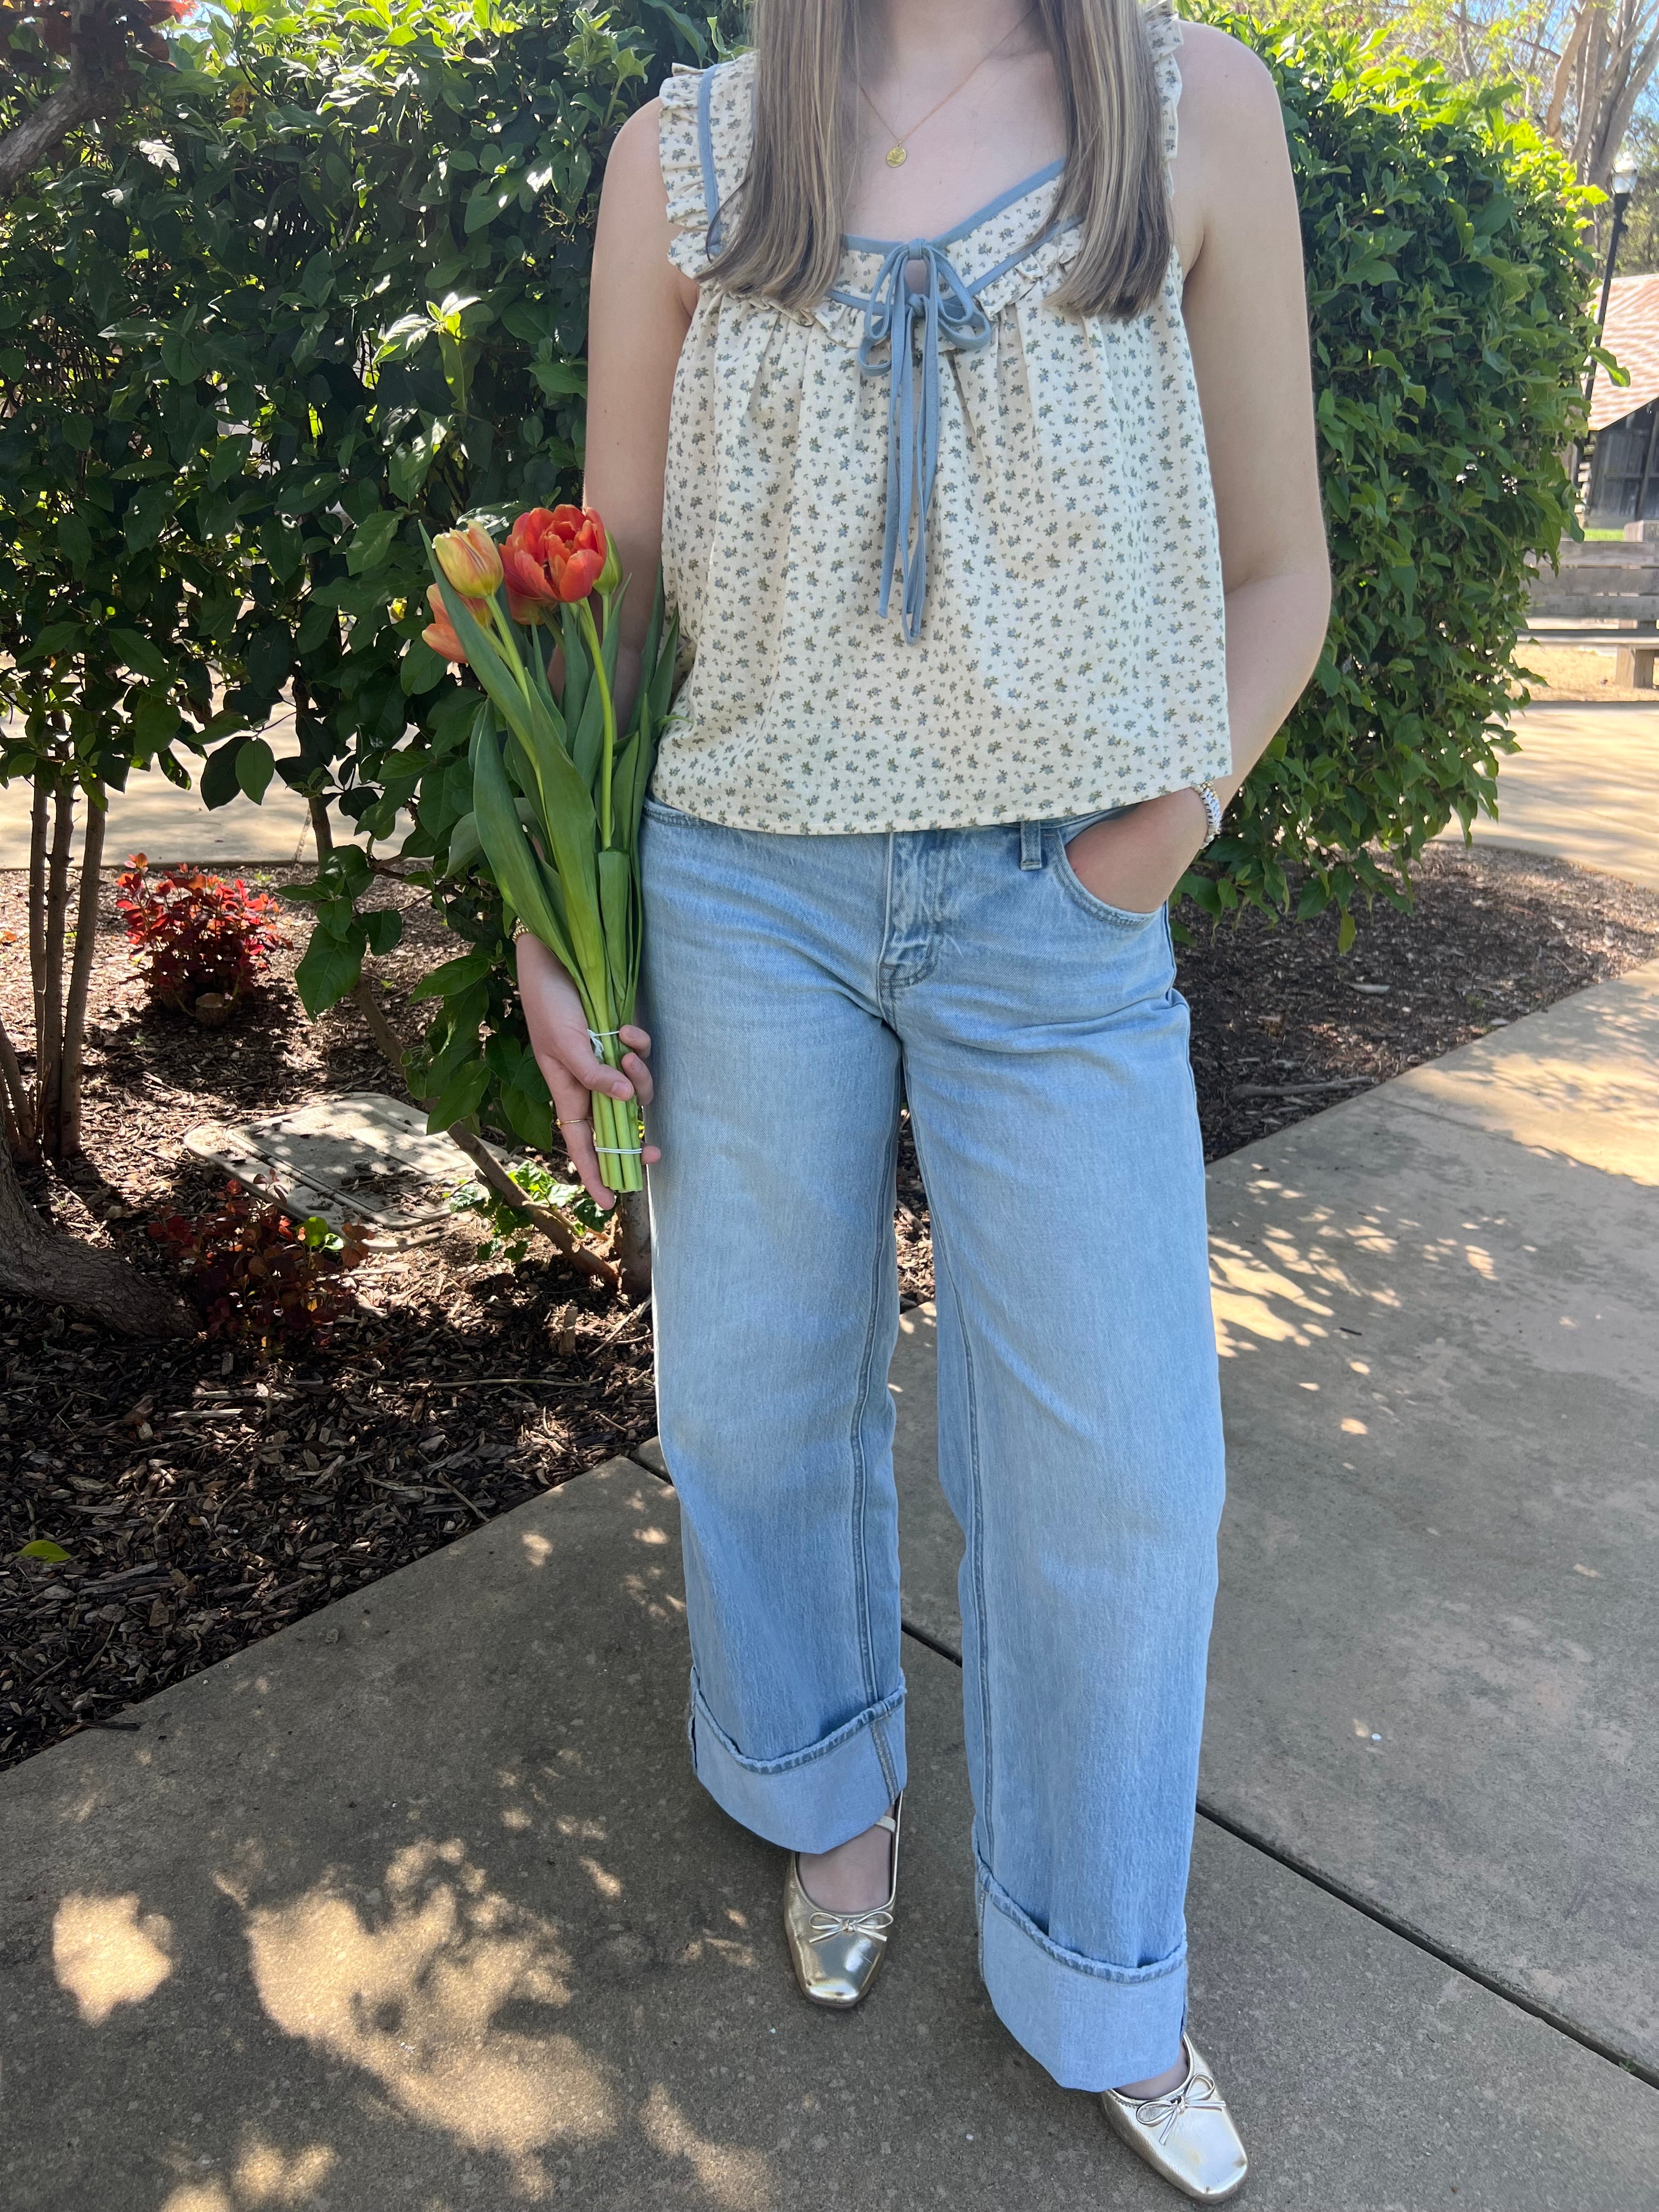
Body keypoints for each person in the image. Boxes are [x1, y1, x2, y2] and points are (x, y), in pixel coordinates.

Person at [518, 0, 1329, 2195]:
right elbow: (617, 580)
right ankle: (823, 1795)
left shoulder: (1191, 111)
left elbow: (1284, 571)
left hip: (1056, 912)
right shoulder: (681, 161)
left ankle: (1097, 1970)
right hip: (736, 894)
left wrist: (1150, 838)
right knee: (757, 1400)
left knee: (1120, 1481)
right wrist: (556, 917)